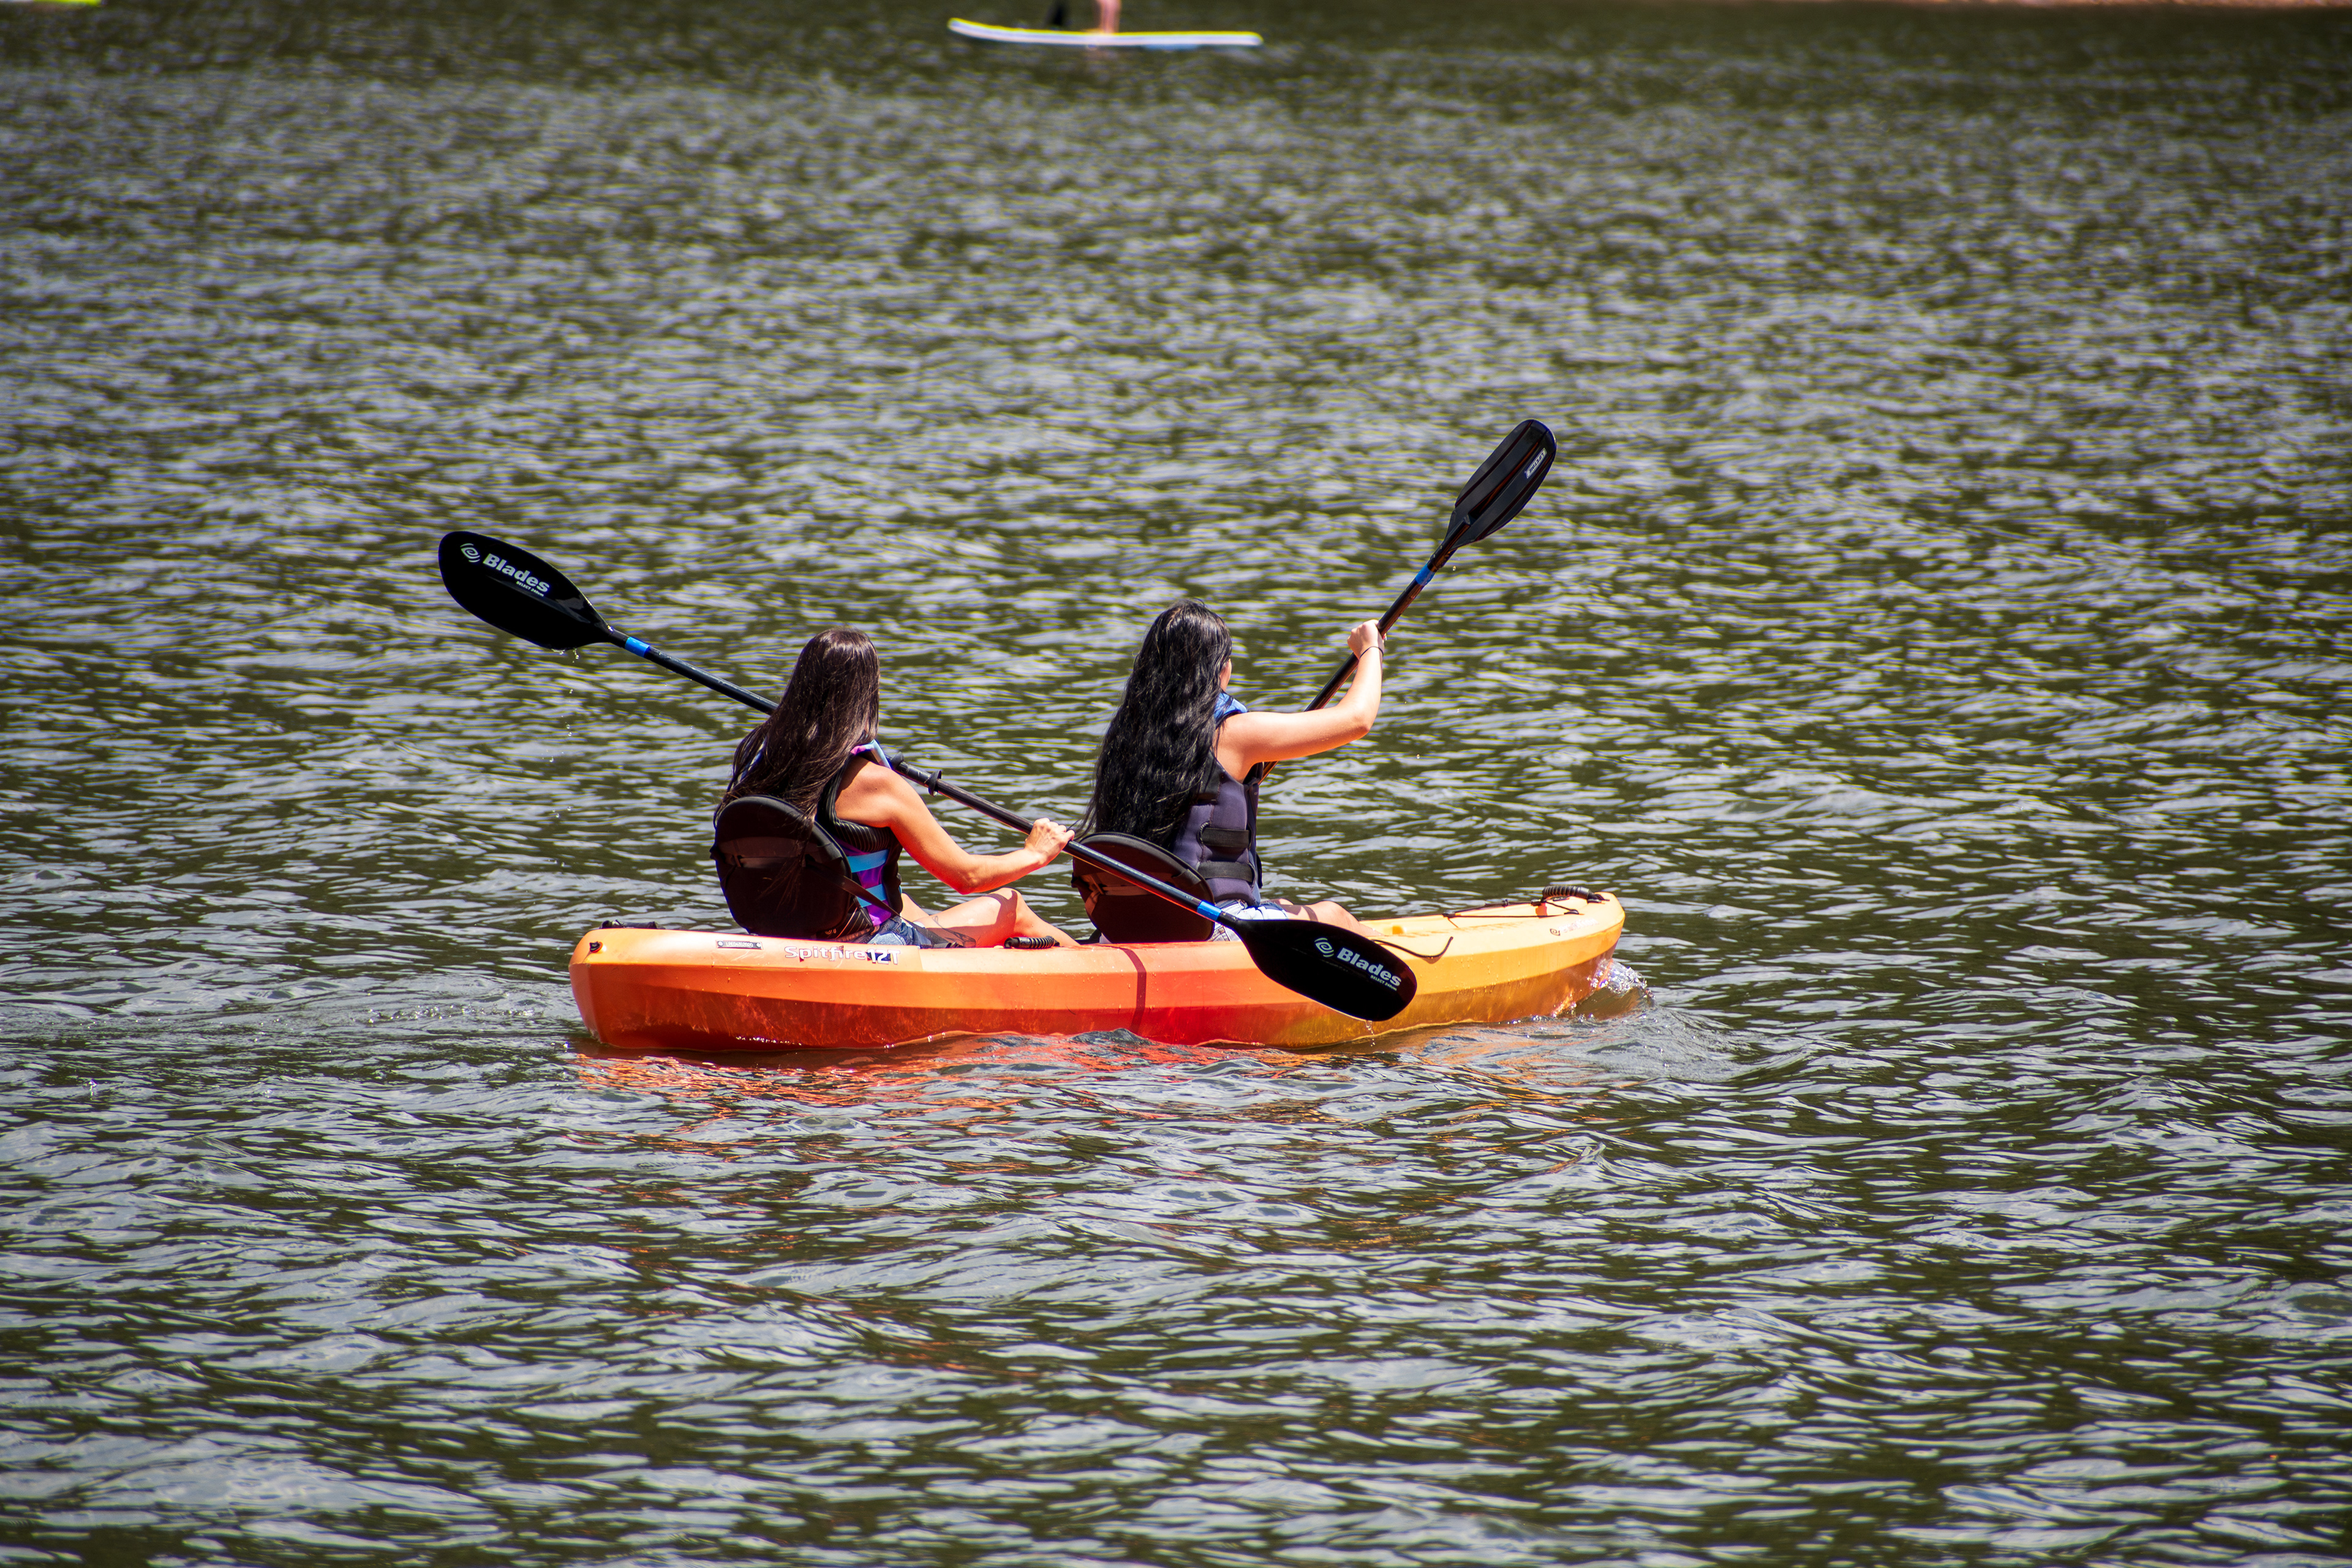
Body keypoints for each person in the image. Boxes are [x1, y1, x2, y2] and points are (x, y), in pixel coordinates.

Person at [719, 628, 1076, 948]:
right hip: (867, 945)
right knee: (1012, 906)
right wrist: (1036, 854)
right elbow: (966, 877)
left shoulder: (764, 772)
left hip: (779, 939)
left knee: (911, 911)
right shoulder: (876, 784)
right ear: (866, 697)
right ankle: (1101, 972)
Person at [1082, 601, 1384, 938]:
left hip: (1125, 928)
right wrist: (1370, 649)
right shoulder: (1232, 734)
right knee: (1334, 915)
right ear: (1221, 670)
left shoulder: (1125, 736)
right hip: (1205, 927)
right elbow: (1357, 720)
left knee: (1282, 904)